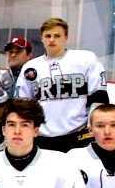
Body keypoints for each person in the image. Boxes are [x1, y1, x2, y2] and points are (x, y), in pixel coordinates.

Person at [16, 17, 108, 152]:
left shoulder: (86, 59)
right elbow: (22, 105)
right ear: (41, 38)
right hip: (43, 137)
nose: (52, 39)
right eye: (48, 36)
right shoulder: (30, 67)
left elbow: (99, 97)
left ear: (66, 37)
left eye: (57, 35)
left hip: (79, 136)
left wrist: (94, 126)